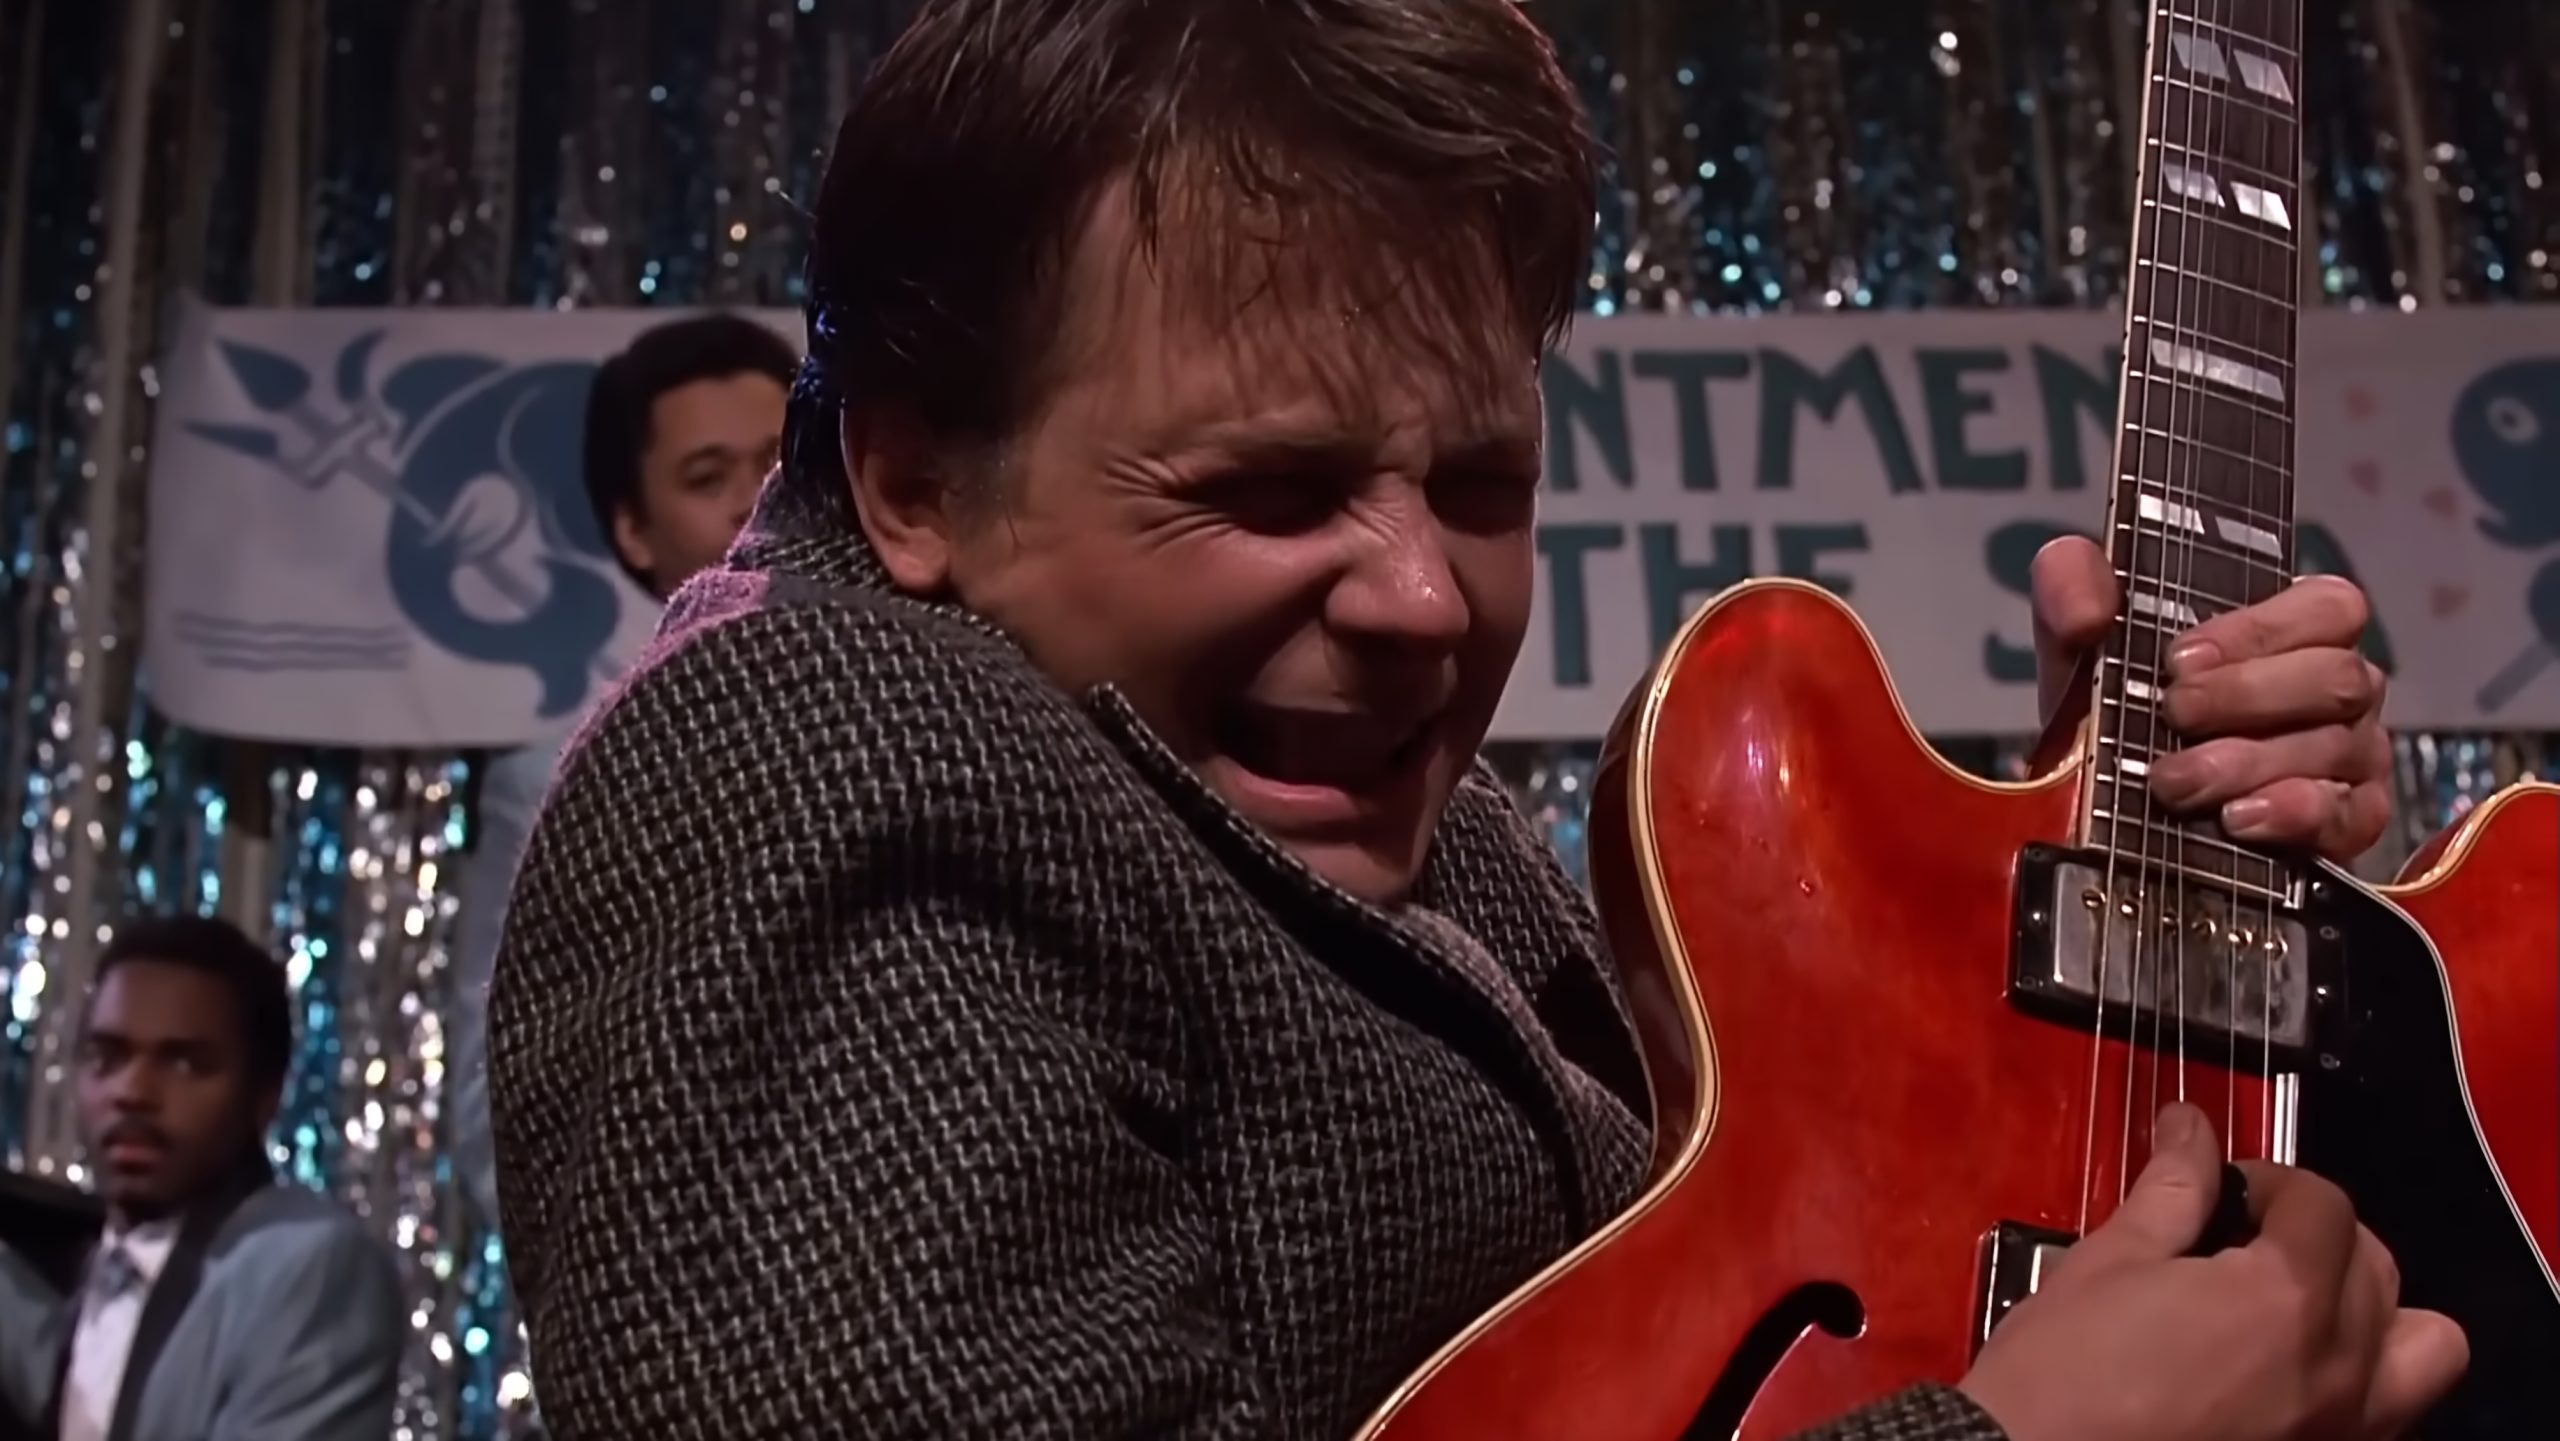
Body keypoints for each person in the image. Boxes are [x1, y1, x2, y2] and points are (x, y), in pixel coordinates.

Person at [485, 3, 2448, 1439]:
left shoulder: (1406, 846)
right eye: (1269, 491)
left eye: (1483, 487)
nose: (1427, 599)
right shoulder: (819, 738)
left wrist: (2151, 893)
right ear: (914, 484)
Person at [447, 311, 796, 1232]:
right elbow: (494, 1108)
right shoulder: (559, 777)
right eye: (707, 477)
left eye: (782, 461)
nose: (756, 502)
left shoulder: (949, 707)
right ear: (634, 532)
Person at [0, 916, 403, 1441]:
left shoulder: (311, 1265)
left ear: (265, 1095)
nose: (132, 1091)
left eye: (186, 1065)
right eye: (106, 1058)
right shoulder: (110, 1261)